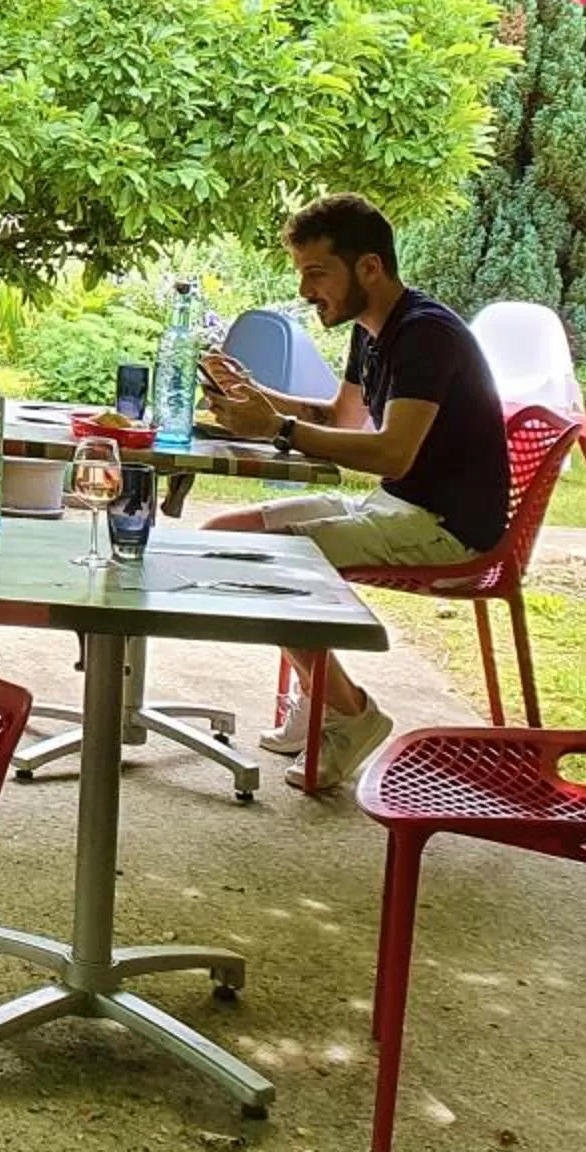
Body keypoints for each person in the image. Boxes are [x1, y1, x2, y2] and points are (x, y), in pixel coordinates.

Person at [199, 193, 510, 791]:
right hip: (397, 507)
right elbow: (342, 419)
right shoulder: (371, 330)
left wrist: (278, 428)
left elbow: (393, 452)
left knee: (267, 565)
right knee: (222, 538)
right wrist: (259, 398)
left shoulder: (426, 335)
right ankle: (325, 701)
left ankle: (349, 715)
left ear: (368, 267)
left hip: (445, 528)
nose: (307, 290)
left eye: (317, 274)